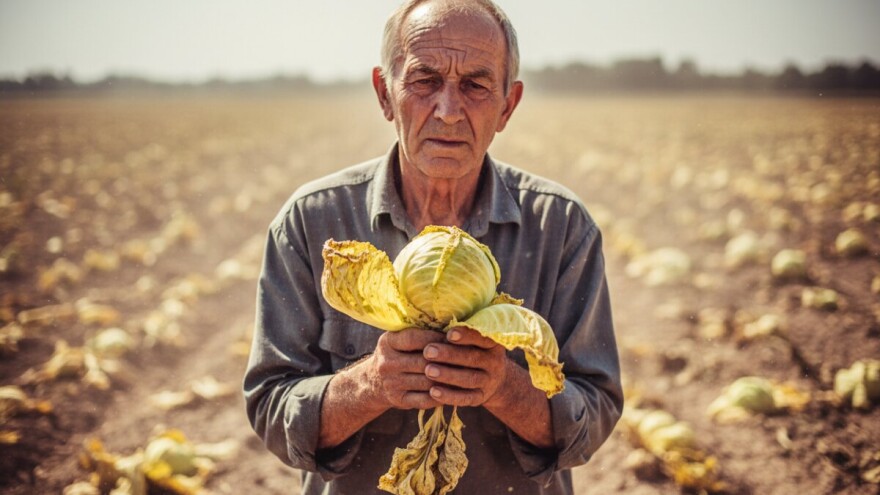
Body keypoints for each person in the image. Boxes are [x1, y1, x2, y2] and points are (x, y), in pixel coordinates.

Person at [243, 0, 623, 493]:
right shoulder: (313, 222)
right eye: (424, 81)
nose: (447, 110)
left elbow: (595, 412)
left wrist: (506, 388)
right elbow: (271, 407)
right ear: (385, 94)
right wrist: (370, 384)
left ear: (507, 105)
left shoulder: (560, 227)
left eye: (476, 84)